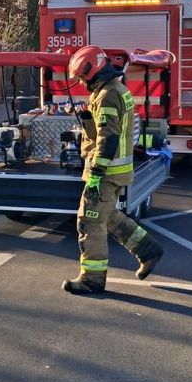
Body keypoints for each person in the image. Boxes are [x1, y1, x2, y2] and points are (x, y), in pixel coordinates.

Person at [62, 45, 164, 296]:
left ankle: (92, 279)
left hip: (106, 173)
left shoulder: (107, 94)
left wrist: (96, 173)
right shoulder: (116, 89)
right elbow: (107, 129)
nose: (82, 82)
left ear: (93, 71)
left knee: (89, 221)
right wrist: (88, 117)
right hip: (116, 171)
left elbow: (109, 138)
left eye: (83, 78)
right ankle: (149, 250)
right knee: (108, 217)